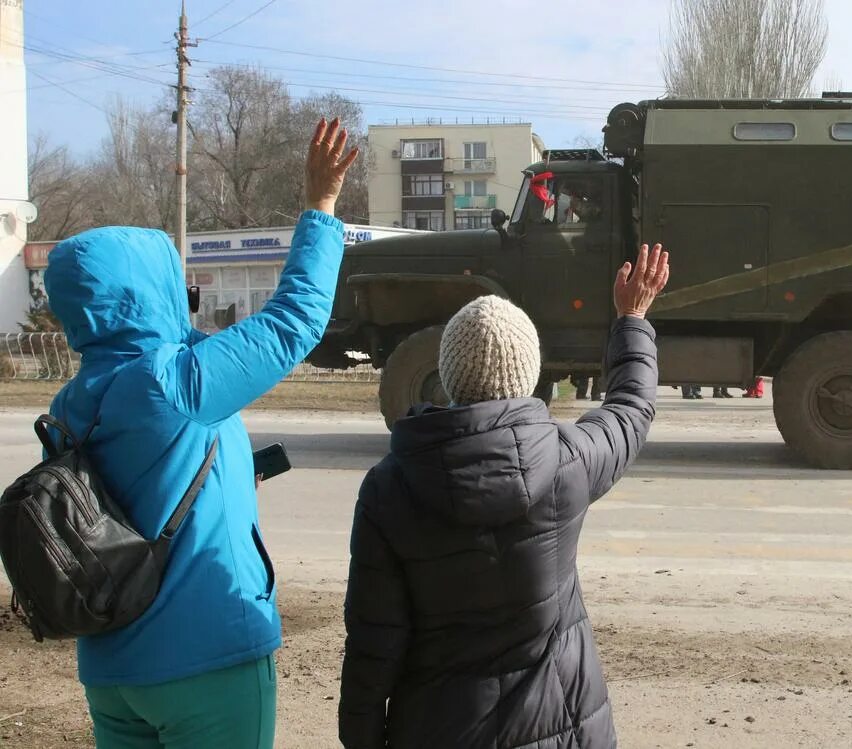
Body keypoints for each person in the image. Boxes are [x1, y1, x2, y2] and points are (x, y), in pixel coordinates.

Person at [43, 118, 358, 748]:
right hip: (206, 659)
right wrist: (321, 207)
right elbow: (294, 321)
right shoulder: (170, 381)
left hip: (111, 671)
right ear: (149, 292)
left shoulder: (68, 404)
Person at [338, 245, 670, 748]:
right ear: (527, 374)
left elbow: (372, 641)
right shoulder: (567, 462)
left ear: (449, 376)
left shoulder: (389, 489)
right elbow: (630, 407)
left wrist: (362, 737)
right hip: (561, 726)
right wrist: (633, 318)